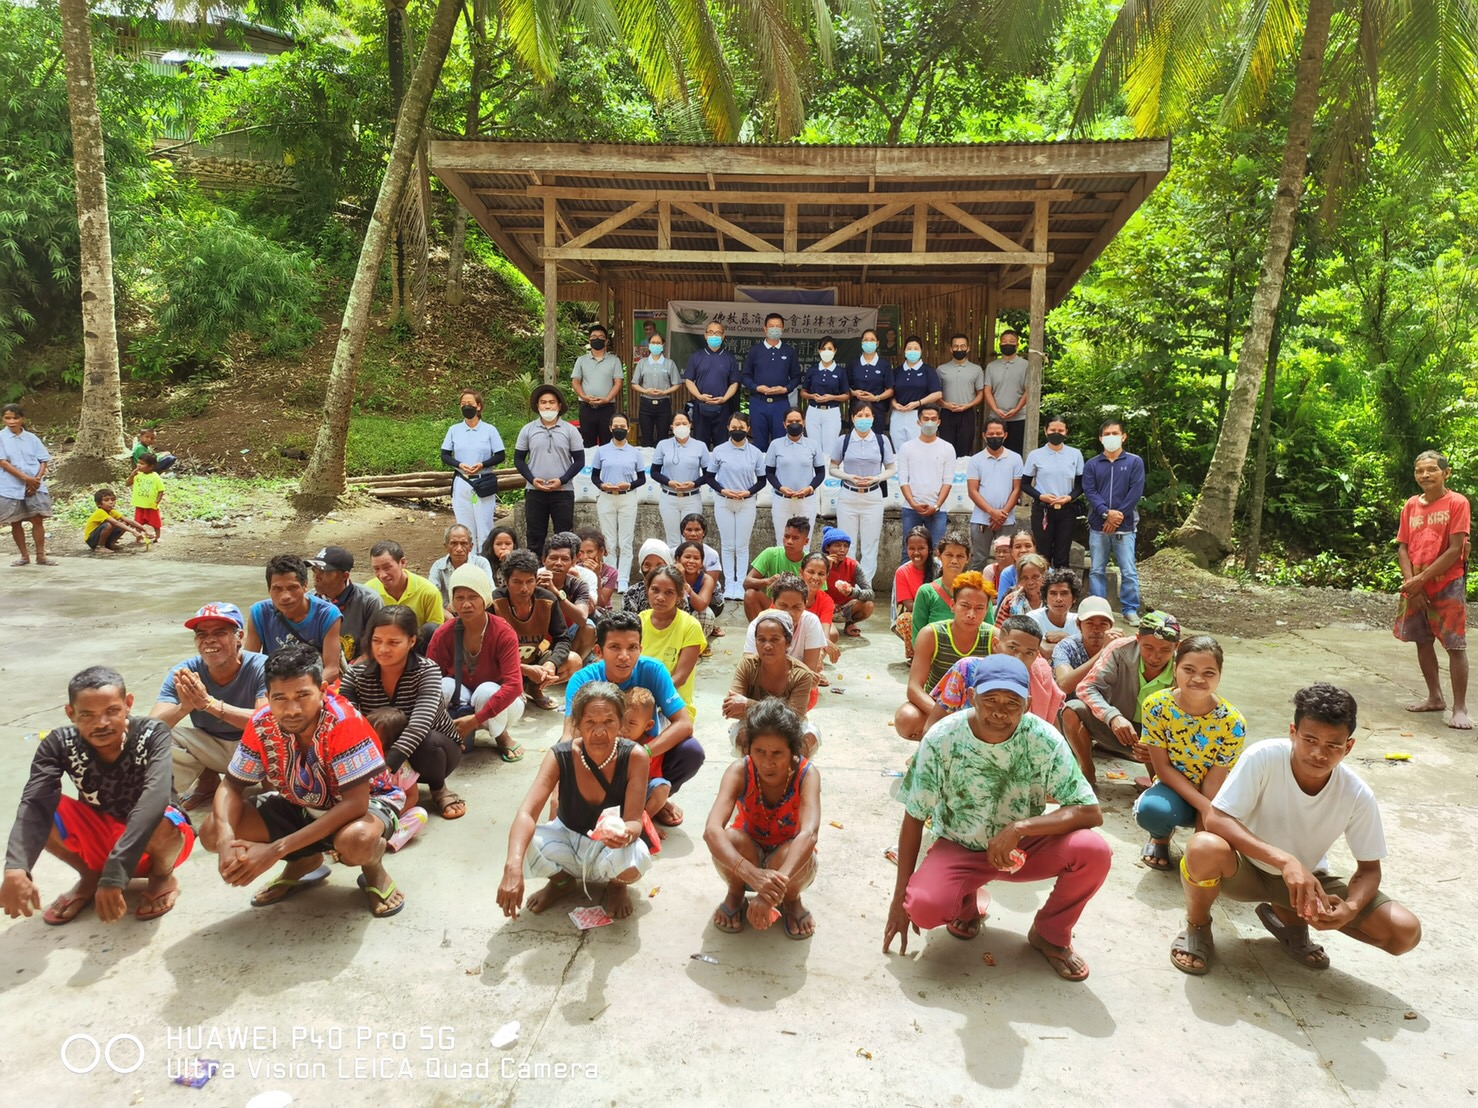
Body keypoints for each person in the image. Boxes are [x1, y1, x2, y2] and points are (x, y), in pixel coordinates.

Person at [1170, 684, 1421, 976]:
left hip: (1304, 887)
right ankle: (1197, 926)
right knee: (1203, 847)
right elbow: (1216, 819)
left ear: (1349, 746)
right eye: (1309, 739)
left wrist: (1349, 909)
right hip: (1243, 870)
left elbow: (1369, 869)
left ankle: (1288, 920)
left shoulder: (1356, 793)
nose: (1318, 753)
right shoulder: (1263, 757)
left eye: (1333, 745)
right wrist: (1285, 861)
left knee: (1404, 932)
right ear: (1293, 732)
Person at [884, 656, 1108, 982]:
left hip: (1022, 848)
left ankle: (1051, 933)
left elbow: (1090, 810)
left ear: (1029, 704)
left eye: (1012, 703)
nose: (1000, 711)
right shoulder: (942, 738)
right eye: (990, 700)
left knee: (1094, 851)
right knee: (923, 906)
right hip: (959, 844)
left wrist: (1020, 828)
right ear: (972, 696)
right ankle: (965, 904)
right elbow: (914, 816)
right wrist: (898, 897)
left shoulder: (1044, 740)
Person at [199, 644, 405, 917]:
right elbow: (232, 784)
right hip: (299, 802)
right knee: (212, 830)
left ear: (322, 690)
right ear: (268, 697)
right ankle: (304, 859)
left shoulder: (343, 721)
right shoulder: (261, 722)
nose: (291, 709)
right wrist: (226, 839)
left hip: (367, 804)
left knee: (358, 840)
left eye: (303, 695)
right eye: (280, 698)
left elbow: (356, 803)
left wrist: (274, 850)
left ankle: (373, 867)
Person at [2, 667, 193, 925]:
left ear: (128, 705)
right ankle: (91, 876)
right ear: (71, 714)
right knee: (44, 806)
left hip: (159, 842)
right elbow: (34, 803)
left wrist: (114, 874)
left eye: (112, 711)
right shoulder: (58, 743)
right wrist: (16, 868)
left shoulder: (151, 733)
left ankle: (162, 877)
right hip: (102, 839)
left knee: (162, 815)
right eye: (87, 715)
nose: (101, 724)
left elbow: (154, 799)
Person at [498, 682, 653, 921]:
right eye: (590, 722)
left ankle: (616, 885)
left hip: (610, 847)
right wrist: (512, 867)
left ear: (621, 723)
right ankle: (562, 883)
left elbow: (633, 820)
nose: (599, 731)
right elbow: (527, 813)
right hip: (567, 837)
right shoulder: (559, 755)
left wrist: (626, 835)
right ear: (577, 724)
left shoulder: (635, 757)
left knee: (637, 858)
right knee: (521, 843)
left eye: (609, 722)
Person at [563, 611, 701, 827]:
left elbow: (684, 723)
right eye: (615, 647)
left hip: (646, 756)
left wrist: (644, 752)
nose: (625, 656)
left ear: (640, 649)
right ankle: (612, 805)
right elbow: (570, 733)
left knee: (691, 751)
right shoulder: (583, 679)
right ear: (598, 651)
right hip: (602, 756)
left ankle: (654, 799)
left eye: (632, 647)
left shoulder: (653, 670)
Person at [705, 698, 821, 938]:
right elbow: (711, 831)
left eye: (777, 753)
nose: (768, 762)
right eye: (759, 751)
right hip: (747, 855)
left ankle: (791, 899)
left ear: (793, 752)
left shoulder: (807, 775)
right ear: (749, 749)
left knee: (798, 848)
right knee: (731, 837)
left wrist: (771, 891)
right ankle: (736, 894)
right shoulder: (739, 771)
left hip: (789, 864)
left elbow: (809, 834)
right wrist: (750, 874)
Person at [339, 606, 468, 820]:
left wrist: (384, 767)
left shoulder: (427, 671)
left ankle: (438, 789)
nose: (382, 649)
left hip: (436, 751)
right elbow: (347, 718)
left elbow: (420, 723)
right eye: (377, 640)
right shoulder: (355, 674)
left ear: (411, 641)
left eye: (393, 642)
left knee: (426, 739)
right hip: (382, 747)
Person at [1134, 635, 1245, 870]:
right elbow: (1162, 768)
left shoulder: (1233, 722)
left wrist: (1200, 838)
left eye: (1208, 673)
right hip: (1172, 787)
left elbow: (1216, 779)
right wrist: (1205, 808)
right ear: (1175, 669)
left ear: (1219, 676)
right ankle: (1160, 836)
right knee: (1152, 811)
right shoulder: (1155, 706)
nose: (1198, 679)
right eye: (1189, 669)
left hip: (1216, 795)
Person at [150, 602, 268, 811]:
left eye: (219, 632)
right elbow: (150, 728)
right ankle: (202, 783)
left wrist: (210, 705)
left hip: (255, 749)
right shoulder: (184, 671)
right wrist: (183, 708)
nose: (209, 640)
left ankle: (270, 788)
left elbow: (266, 722)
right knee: (156, 738)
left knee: (280, 735)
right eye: (201, 634)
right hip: (212, 748)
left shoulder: (263, 666)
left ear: (239, 636)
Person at [1060, 610, 1180, 787]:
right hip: (1117, 727)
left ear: (1177, 646)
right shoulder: (1119, 649)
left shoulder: (1185, 664)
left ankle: (1158, 780)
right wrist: (1113, 716)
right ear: (1138, 639)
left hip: (1159, 738)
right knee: (1072, 709)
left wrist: (1160, 743)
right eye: (1148, 648)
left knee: (1161, 792)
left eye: (1165, 650)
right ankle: (1087, 771)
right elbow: (1086, 687)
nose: (1155, 657)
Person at [1395, 449, 1470, 729]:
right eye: (1419, 471)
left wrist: (1422, 579)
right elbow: (1403, 546)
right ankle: (1435, 697)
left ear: (1445, 473)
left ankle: (1460, 708)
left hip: (1446, 583)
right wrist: (1411, 581)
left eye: (1431, 470)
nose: (1425, 475)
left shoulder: (1457, 503)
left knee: (1454, 645)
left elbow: (1455, 550)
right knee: (1422, 640)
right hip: (1416, 583)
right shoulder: (1411, 505)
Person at [427, 563, 526, 759]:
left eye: (473, 597)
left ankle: (501, 736)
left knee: (486, 691)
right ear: (452, 602)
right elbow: (426, 677)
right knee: (443, 685)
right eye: (460, 598)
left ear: (485, 599)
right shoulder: (443, 633)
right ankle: (450, 730)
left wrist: (475, 720)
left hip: (503, 702)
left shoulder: (503, 632)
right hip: (461, 699)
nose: (466, 604)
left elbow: (514, 685)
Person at [895, 571, 995, 741]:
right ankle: (933, 744)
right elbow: (913, 688)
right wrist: (946, 716)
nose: (971, 614)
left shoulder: (994, 639)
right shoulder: (931, 634)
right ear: (952, 605)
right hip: (935, 705)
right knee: (906, 719)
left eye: (979, 608)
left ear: (987, 610)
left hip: (976, 709)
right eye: (965, 605)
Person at [926, 615, 1065, 730]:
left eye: (1029, 653)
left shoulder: (1041, 678)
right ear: (995, 644)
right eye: (1012, 648)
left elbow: (1052, 728)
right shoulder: (967, 669)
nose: (1019, 658)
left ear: (1036, 656)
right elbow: (933, 725)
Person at [491, 549, 576, 709]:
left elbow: (562, 638)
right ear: (506, 581)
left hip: (536, 659)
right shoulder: (495, 602)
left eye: (529, 581)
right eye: (517, 582)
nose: (524, 588)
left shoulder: (547, 600)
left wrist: (552, 663)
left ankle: (535, 689)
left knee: (573, 661)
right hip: (504, 667)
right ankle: (514, 688)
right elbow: (487, 651)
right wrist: (523, 669)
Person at [725, 612, 819, 753]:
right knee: (745, 740)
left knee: (805, 744)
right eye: (761, 639)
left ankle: (794, 775)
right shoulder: (747, 664)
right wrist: (781, 711)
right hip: (752, 725)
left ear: (787, 642)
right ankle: (751, 774)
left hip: (790, 729)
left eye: (774, 639)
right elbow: (731, 708)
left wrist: (748, 705)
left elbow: (794, 719)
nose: (767, 646)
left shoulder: (802, 674)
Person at [244, 554, 344, 685]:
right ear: (269, 589)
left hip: (313, 685)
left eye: (292, 588)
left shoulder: (327, 614)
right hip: (275, 685)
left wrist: (300, 688)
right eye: (277, 589)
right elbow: (251, 663)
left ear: (305, 586)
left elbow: (331, 669)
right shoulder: (259, 612)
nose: (285, 596)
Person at [1083, 418, 1145, 626]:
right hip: (1098, 525)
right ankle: (1098, 609)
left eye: (1115, 433)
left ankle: (1130, 609)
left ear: (1123, 436)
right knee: (1097, 569)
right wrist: (1105, 514)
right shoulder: (1092, 464)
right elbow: (1090, 491)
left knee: (1128, 570)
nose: (1111, 437)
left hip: (1125, 527)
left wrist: (1117, 516)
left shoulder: (1134, 462)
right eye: (1107, 434)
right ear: (1100, 438)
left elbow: (1135, 492)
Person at [829, 401, 896, 592]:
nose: (864, 419)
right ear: (852, 418)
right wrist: (849, 476)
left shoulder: (882, 440)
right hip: (848, 495)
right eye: (860, 415)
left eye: (868, 415)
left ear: (873, 418)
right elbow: (832, 468)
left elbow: (891, 468)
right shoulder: (844, 440)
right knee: (846, 544)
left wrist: (876, 478)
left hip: (872, 496)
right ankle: (846, 587)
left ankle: (865, 587)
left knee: (870, 545)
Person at [515, 384, 585, 558]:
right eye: (543, 402)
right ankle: (535, 574)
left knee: (564, 537)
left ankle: (564, 575)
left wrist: (562, 480)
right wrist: (532, 479)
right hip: (535, 491)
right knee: (534, 537)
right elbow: (518, 459)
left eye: (552, 402)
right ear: (537, 406)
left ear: (559, 406)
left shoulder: (570, 430)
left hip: (562, 491)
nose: (547, 406)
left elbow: (579, 461)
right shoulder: (528, 430)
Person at [706, 412, 766, 603]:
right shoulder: (719, 451)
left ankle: (740, 583)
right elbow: (709, 477)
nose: (737, 431)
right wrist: (724, 490)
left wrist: (747, 492)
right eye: (734, 427)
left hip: (746, 502)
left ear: (748, 429)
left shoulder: (755, 453)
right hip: (724, 501)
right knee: (727, 544)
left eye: (741, 428)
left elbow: (762, 480)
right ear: (728, 427)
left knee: (741, 545)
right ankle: (728, 584)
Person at [441, 388, 506, 549]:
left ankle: (485, 562)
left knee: (484, 526)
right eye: (463, 404)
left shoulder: (489, 430)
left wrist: (482, 464)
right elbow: (445, 455)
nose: (466, 406)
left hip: (483, 482)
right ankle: (466, 562)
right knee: (464, 527)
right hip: (462, 481)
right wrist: (459, 464)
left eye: (469, 403)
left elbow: (500, 455)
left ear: (478, 406)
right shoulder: (454, 430)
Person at [639, 564, 706, 718]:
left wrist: (645, 699)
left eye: (669, 592)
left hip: (673, 707)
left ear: (679, 595)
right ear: (647, 589)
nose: (660, 597)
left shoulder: (690, 626)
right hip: (636, 703)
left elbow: (680, 678)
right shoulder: (639, 621)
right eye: (655, 590)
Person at [590, 413, 646, 592]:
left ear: (628, 429)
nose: (619, 429)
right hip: (606, 498)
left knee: (626, 540)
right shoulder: (602, 451)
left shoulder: (635, 452)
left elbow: (642, 478)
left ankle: (623, 579)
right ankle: (611, 576)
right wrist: (601, 485)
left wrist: (629, 485)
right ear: (610, 428)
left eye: (623, 426)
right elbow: (594, 475)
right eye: (616, 426)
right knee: (609, 541)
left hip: (627, 497)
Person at [1022, 415, 1084, 570]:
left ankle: (1061, 590)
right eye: (1053, 430)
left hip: (1067, 509)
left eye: (1060, 430)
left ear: (1066, 432)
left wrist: (1069, 497)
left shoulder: (1075, 454)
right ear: (1045, 431)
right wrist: (1040, 496)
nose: (1056, 433)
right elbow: (1025, 484)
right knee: (1042, 556)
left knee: (1062, 556)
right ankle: (1042, 590)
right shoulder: (1035, 455)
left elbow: (1081, 484)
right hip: (1043, 509)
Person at [0, 402, 55, 567]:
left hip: (35, 486)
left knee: (37, 519)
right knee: (15, 521)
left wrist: (36, 480)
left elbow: (43, 460)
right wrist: (26, 479)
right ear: (3, 419)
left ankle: (41, 555)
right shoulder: (1, 438)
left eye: (15, 418)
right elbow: (3, 462)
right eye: (7, 418)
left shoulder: (32, 438)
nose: (11, 421)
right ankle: (24, 556)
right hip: (10, 486)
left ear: (22, 419)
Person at [896, 401, 956, 553]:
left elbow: (947, 481)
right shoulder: (907, 447)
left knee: (937, 551)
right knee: (908, 551)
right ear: (918, 421)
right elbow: (903, 480)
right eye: (926, 418)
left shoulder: (947, 448)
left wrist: (936, 506)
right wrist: (913, 503)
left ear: (939, 422)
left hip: (937, 510)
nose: (929, 422)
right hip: (910, 509)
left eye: (933, 419)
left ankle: (933, 578)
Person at [966, 417, 1024, 571]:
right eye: (991, 434)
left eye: (998, 433)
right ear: (984, 435)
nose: (994, 436)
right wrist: (992, 512)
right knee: (979, 559)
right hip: (981, 519)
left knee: (1008, 559)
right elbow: (972, 491)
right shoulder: (975, 460)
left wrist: (1002, 514)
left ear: (1005, 435)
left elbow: (1017, 489)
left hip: (1007, 519)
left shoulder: (1015, 458)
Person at [308, 545, 382, 666]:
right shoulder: (308, 600)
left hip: (358, 670)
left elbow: (377, 646)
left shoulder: (369, 601)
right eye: (314, 571)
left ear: (344, 576)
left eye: (323, 572)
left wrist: (350, 672)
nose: (316, 577)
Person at [743, 575, 827, 680]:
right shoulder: (756, 625)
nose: (790, 613)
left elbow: (809, 672)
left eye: (797, 607)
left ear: (805, 604)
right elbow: (749, 669)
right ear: (773, 603)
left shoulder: (811, 622)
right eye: (783, 606)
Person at [765, 407, 827, 547]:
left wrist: (809, 488)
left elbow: (820, 473)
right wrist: (781, 488)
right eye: (790, 421)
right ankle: (782, 570)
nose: (794, 423)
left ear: (803, 422)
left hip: (806, 500)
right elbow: (769, 472)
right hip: (782, 500)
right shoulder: (775, 445)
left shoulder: (813, 445)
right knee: (782, 542)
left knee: (805, 542)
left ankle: (802, 569)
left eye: (797, 420)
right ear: (784, 424)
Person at [368, 539, 445, 647]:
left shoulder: (428, 592)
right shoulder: (368, 593)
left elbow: (436, 633)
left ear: (403, 562)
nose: (382, 575)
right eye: (376, 569)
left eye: (387, 567)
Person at [650, 412, 710, 547]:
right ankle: (674, 567)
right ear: (671, 427)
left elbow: (708, 475)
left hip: (691, 497)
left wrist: (694, 483)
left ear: (690, 425)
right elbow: (654, 472)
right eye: (677, 424)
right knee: (672, 540)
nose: (681, 426)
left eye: (684, 423)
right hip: (669, 497)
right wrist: (669, 482)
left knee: (691, 539)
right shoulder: (663, 445)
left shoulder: (700, 446)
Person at [743, 313, 801, 450]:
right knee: (759, 443)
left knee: (781, 443)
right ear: (765, 329)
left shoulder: (789, 351)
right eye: (771, 326)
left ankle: (778, 472)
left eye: (778, 326)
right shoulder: (755, 351)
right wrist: (756, 388)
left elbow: (796, 377)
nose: (774, 329)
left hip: (780, 403)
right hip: (758, 402)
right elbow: (745, 376)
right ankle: (761, 472)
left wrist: (786, 389)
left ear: (783, 329)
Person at [908, 531, 974, 647]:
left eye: (960, 556)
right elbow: (917, 639)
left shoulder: (978, 591)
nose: (954, 561)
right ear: (939, 555)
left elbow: (988, 632)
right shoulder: (926, 592)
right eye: (949, 555)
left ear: (968, 558)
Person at [1052, 595, 1125, 697]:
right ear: (1078, 625)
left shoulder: (1121, 648)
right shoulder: (1066, 647)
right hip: (1073, 707)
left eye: (1103, 624)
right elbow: (1064, 684)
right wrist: (1103, 652)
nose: (1096, 629)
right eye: (1090, 623)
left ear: (1111, 626)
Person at [743, 515, 812, 621]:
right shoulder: (770, 553)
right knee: (750, 595)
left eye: (795, 538)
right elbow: (747, 583)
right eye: (786, 536)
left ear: (806, 541)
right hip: (774, 605)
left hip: (799, 608)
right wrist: (768, 581)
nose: (789, 541)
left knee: (832, 634)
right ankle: (757, 632)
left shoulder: (811, 561)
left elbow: (818, 596)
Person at [684, 319, 741, 447]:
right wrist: (699, 396)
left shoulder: (729, 357)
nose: (714, 336)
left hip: (722, 408)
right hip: (701, 407)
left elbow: (734, 382)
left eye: (717, 333)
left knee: (722, 446)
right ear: (705, 335)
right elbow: (688, 380)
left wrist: (724, 398)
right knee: (700, 445)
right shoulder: (696, 356)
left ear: (723, 336)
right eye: (710, 332)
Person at [570, 323, 624, 448]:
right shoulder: (581, 360)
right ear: (589, 340)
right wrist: (584, 397)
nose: (597, 339)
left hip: (607, 407)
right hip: (586, 407)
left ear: (606, 341)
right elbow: (575, 381)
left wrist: (607, 399)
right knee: (588, 442)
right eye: (593, 336)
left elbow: (618, 382)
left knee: (607, 442)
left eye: (600, 337)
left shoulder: (614, 360)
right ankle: (590, 467)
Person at [428, 525, 494, 621]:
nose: (459, 549)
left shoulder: (481, 563)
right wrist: (448, 616)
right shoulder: (438, 566)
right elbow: (431, 597)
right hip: (448, 616)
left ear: (471, 547)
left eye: (463, 543)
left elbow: (490, 593)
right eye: (454, 543)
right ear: (446, 547)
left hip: (477, 612)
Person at [892, 525, 938, 659]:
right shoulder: (902, 572)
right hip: (918, 614)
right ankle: (916, 655)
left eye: (921, 548)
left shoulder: (940, 567)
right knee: (905, 619)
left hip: (941, 614)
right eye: (911, 548)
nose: (916, 553)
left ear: (929, 549)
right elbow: (909, 604)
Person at [936, 333, 985, 458]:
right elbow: (936, 394)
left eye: (962, 346)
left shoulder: (976, 369)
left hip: (967, 414)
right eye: (956, 346)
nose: (959, 349)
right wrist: (945, 405)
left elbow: (980, 394)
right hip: (947, 414)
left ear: (968, 348)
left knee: (964, 451)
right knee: (946, 450)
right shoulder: (941, 369)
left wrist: (968, 405)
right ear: (951, 349)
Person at [888, 335, 942, 448]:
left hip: (918, 415)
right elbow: (891, 392)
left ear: (921, 351)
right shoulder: (897, 371)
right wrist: (894, 404)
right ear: (904, 351)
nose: (912, 351)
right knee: (899, 450)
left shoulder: (928, 370)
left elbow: (937, 394)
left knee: (919, 449)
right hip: (898, 414)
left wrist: (918, 403)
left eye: (916, 348)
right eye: (909, 348)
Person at [631, 329, 683, 446]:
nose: (655, 345)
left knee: (663, 438)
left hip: (663, 404)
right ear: (649, 344)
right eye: (653, 342)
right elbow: (634, 384)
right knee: (646, 438)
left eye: (658, 343)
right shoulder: (642, 363)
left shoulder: (669, 363)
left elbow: (677, 384)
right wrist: (645, 390)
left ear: (663, 344)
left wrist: (665, 392)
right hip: (646, 404)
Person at [821, 527, 875, 636]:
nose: (842, 550)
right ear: (827, 547)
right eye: (837, 545)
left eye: (845, 546)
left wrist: (852, 592)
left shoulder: (853, 565)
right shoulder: (818, 562)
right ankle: (824, 623)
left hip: (844, 607)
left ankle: (850, 622)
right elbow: (808, 589)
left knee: (868, 605)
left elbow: (870, 593)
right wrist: (824, 568)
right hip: (822, 606)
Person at [983, 330, 1029, 457]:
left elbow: (1029, 390)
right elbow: (987, 390)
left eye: (1011, 341)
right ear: (999, 344)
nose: (1007, 344)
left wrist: (1016, 409)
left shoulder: (1026, 365)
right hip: (996, 417)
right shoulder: (991, 366)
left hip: (1019, 417)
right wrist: (996, 409)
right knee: (994, 451)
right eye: (1004, 341)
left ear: (1017, 345)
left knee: (1016, 452)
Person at [800, 336, 849, 450]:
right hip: (813, 411)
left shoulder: (840, 372)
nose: (827, 351)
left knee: (830, 448)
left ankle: (828, 468)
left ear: (835, 351)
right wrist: (812, 396)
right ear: (819, 351)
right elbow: (803, 392)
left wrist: (832, 397)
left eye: (830, 348)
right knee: (813, 447)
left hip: (831, 412)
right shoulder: (813, 370)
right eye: (824, 348)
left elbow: (846, 395)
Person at [624, 538, 693, 617]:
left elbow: (683, 621)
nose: (653, 570)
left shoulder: (677, 592)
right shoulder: (631, 594)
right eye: (647, 565)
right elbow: (629, 626)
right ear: (641, 566)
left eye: (659, 565)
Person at [848, 328, 894, 439]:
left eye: (872, 340)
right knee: (855, 440)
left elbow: (891, 389)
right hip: (857, 409)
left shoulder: (884, 365)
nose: (869, 343)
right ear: (861, 343)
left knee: (876, 440)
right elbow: (845, 386)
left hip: (877, 410)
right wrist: (853, 393)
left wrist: (877, 398)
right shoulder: (853, 363)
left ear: (877, 343)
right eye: (865, 340)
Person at [675, 539, 723, 640]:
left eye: (696, 558)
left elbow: (701, 606)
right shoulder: (669, 575)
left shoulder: (706, 579)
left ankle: (697, 644)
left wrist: (684, 583)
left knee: (706, 615)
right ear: (678, 560)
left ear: (701, 563)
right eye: (687, 557)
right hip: (675, 616)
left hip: (696, 614)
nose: (691, 561)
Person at [1031, 568, 1082, 659]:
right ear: (1045, 598)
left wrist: (1065, 637)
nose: (1058, 599)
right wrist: (1074, 642)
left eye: (1064, 593)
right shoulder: (1033, 619)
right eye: (1053, 593)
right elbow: (1046, 651)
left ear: (1074, 598)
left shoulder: (1080, 621)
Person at [801, 553, 841, 668]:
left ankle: (813, 665)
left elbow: (826, 632)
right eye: (811, 572)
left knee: (832, 634)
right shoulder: (790, 592)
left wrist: (821, 653)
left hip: (810, 637)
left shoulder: (826, 600)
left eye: (821, 574)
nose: (816, 578)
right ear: (801, 572)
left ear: (827, 576)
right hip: (786, 637)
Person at [83, 487, 148, 553]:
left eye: (113, 499)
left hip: (102, 538)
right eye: (106, 500)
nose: (111, 502)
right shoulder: (100, 512)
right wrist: (133, 531)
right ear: (98, 504)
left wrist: (145, 530)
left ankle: (111, 544)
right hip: (92, 540)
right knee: (109, 525)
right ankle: (100, 547)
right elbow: (116, 523)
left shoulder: (112, 512)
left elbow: (128, 521)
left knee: (124, 523)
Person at [993, 553, 1047, 631]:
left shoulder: (1051, 600)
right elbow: (999, 630)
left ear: (1044, 576)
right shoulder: (1011, 601)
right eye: (1025, 578)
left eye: (1035, 577)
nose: (1030, 582)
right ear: (1019, 580)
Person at [125, 451, 166, 542]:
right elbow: (127, 484)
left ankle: (157, 537)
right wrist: (132, 475)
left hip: (151, 505)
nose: (139, 465)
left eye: (142, 464)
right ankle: (138, 537)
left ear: (151, 466)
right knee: (138, 523)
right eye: (138, 463)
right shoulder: (137, 475)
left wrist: (157, 502)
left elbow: (161, 490)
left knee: (156, 523)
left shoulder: (155, 477)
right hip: (139, 504)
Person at [681, 512, 725, 594]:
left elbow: (710, 587)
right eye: (689, 530)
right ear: (683, 532)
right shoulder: (673, 552)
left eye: (697, 530)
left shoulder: (712, 555)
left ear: (703, 532)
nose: (693, 534)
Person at [577, 528, 620, 611]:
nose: (585, 557)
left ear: (601, 551)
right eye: (581, 552)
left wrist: (597, 576)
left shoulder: (611, 573)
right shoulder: (576, 569)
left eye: (590, 552)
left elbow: (601, 603)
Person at [995, 531, 1037, 595]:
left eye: (1028, 546)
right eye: (1018, 547)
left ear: (1035, 548)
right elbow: (1002, 603)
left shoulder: (1046, 571)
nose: (1023, 550)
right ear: (1011, 551)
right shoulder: (1007, 574)